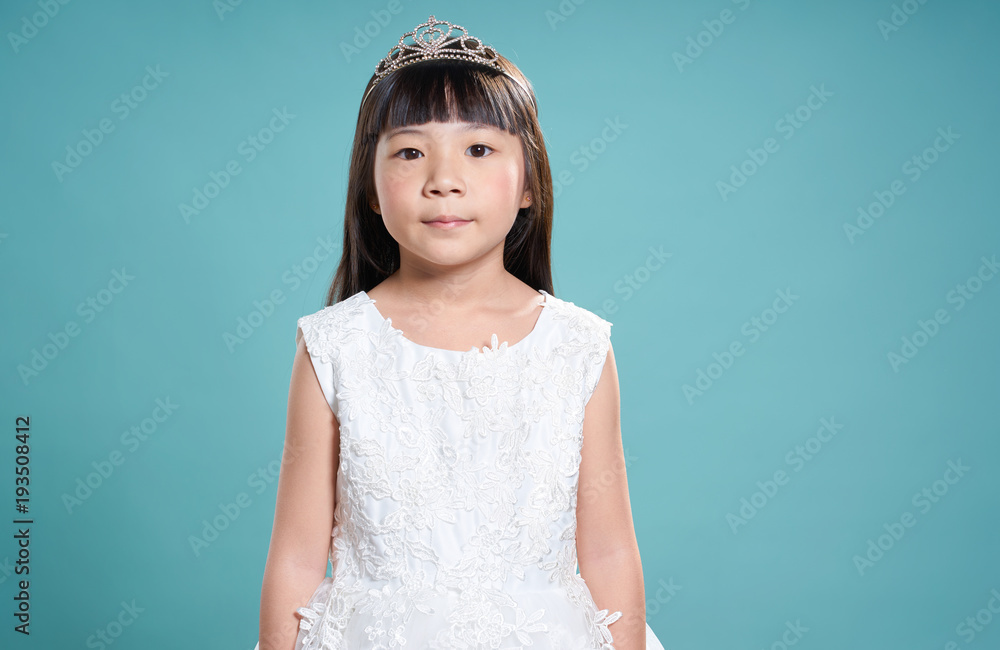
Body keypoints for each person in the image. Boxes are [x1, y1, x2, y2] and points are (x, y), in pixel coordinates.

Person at [255, 15, 666, 650]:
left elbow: (609, 552)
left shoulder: (577, 347)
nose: (443, 178)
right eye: (411, 151)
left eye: (478, 149)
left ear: (528, 182)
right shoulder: (334, 348)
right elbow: (297, 560)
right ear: (369, 185)